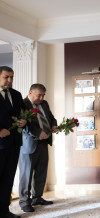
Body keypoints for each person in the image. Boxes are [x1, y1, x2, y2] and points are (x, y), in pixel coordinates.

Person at [18, 84, 58, 213]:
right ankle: (25, 202)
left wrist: (54, 125)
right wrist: (37, 132)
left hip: (44, 141)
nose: (41, 98)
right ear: (30, 93)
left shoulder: (44, 104)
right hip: (28, 144)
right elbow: (24, 125)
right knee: (26, 174)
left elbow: (51, 118)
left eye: (43, 95)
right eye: (39, 95)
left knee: (41, 171)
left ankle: (37, 197)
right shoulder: (22, 104)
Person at [0, 66, 27, 218]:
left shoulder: (16, 95)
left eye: (11, 77)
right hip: (0, 143)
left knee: (8, 178)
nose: (9, 80)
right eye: (6, 77)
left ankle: (4, 211)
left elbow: (24, 114)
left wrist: (25, 122)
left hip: (14, 143)